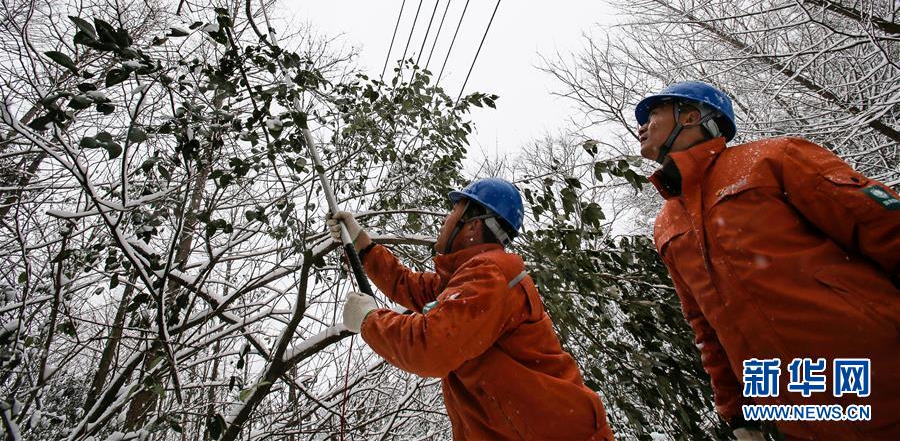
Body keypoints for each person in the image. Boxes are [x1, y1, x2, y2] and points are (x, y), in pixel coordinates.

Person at [635, 81, 900, 440]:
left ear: (691, 116)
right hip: (798, 419)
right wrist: (737, 412)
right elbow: (706, 328)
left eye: (653, 114)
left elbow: (882, 227)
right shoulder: (667, 224)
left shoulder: (773, 159)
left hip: (883, 379)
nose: (642, 127)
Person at [330, 178, 615, 440]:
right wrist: (362, 244)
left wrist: (369, 320)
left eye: (454, 210)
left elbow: (430, 347)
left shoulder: (489, 275)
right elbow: (410, 286)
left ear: (473, 225)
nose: (445, 219)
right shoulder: (472, 278)